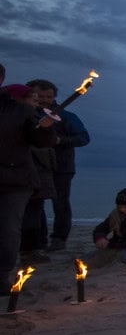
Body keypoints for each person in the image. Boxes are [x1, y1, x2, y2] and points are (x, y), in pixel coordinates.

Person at [1, 72, 56, 293]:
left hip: (14, 178)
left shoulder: (19, 109)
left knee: (8, 229)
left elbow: (43, 141)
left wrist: (46, 128)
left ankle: (2, 276)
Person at [26, 79, 91, 252]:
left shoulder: (67, 117)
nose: (45, 100)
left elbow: (83, 138)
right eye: (40, 96)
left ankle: (59, 239)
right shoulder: (26, 115)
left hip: (61, 167)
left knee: (60, 203)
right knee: (34, 204)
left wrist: (60, 140)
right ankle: (39, 240)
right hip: (32, 167)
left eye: (49, 96)